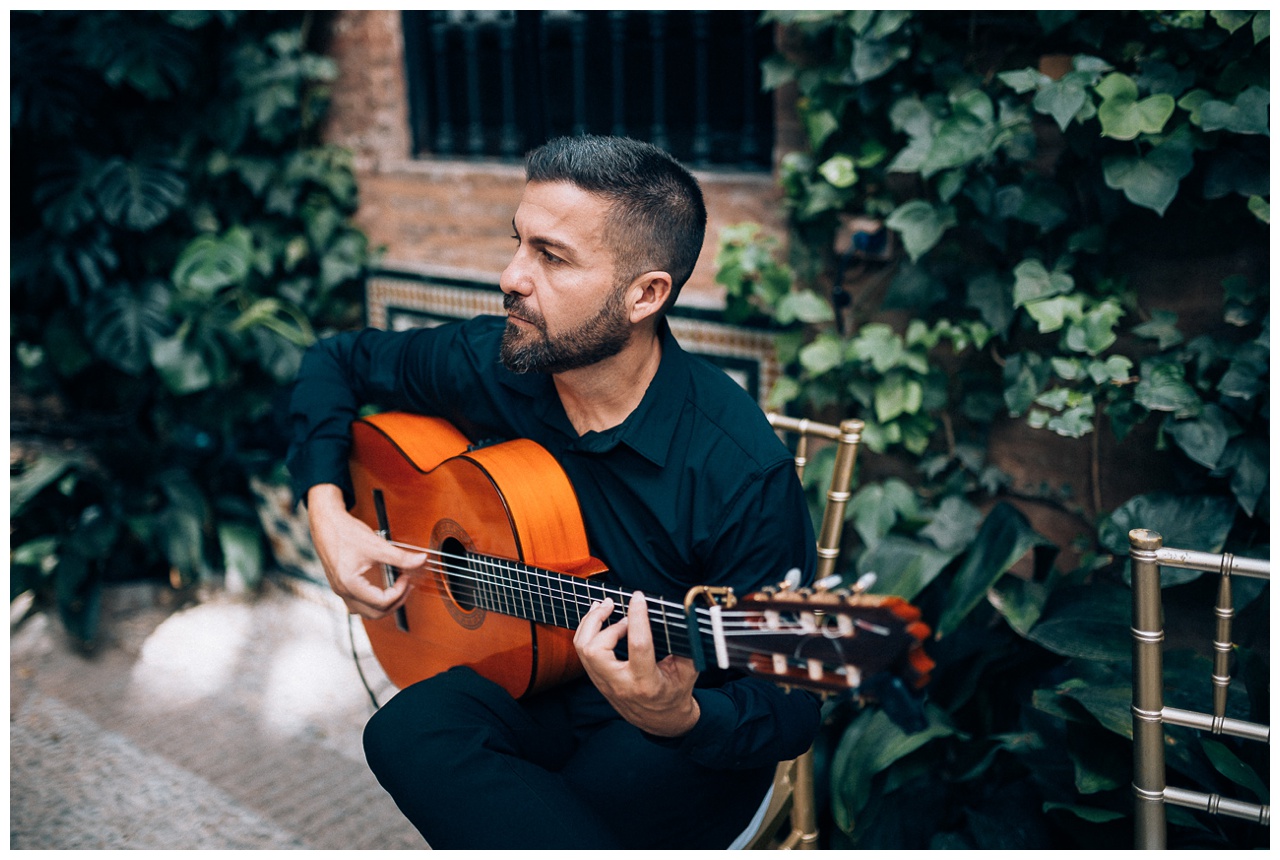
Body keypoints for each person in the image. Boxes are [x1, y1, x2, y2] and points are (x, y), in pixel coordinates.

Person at [285, 135, 820, 849]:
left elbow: (792, 703)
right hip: (536, 680)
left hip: (675, 730)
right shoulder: (499, 360)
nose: (510, 277)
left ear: (645, 294)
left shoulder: (738, 468)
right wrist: (327, 509)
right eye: (519, 243)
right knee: (407, 732)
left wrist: (679, 715)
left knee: (566, 805)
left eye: (552, 256)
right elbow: (335, 361)